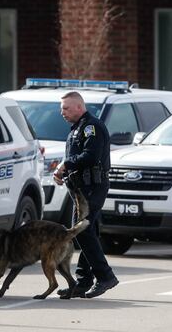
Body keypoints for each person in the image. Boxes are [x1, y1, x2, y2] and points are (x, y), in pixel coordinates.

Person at [53, 91, 119, 299]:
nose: (61, 112)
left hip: (93, 187)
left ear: (79, 107)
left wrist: (66, 165)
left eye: (65, 108)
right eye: (61, 108)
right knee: (87, 233)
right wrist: (63, 172)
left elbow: (90, 156)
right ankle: (83, 281)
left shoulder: (92, 127)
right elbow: (75, 157)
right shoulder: (77, 129)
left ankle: (105, 276)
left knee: (82, 231)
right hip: (80, 188)